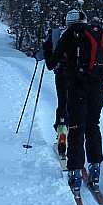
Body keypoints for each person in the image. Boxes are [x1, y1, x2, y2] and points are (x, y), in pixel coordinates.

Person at [45, 8, 103, 197]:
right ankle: (95, 170)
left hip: (77, 87)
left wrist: (48, 51)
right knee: (93, 126)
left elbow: (51, 64)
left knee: (76, 127)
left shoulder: (68, 35)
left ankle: (75, 174)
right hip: (98, 86)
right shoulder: (98, 33)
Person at [41, 18, 69, 154]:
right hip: (80, 76)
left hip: (61, 73)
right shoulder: (83, 33)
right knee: (76, 104)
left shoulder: (55, 33)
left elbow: (44, 54)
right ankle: (76, 135)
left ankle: (62, 129)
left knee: (63, 101)